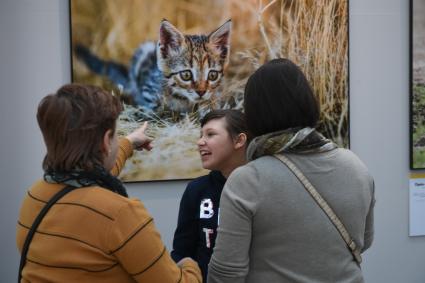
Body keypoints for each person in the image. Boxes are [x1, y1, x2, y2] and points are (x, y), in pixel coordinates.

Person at [208, 58, 375, 283]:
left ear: (254, 113)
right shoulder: (356, 165)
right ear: (308, 101)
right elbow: (364, 241)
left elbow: (226, 274)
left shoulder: (248, 180)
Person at [16, 84, 201, 283]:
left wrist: (129, 142)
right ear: (106, 141)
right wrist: (189, 264)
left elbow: (94, 173)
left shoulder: (34, 195)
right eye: (115, 134)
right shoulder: (119, 214)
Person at [171, 109, 248, 282]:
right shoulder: (196, 190)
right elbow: (181, 253)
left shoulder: (261, 188)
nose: (200, 142)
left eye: (210, 134)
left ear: (239, 140)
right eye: (200, 135)